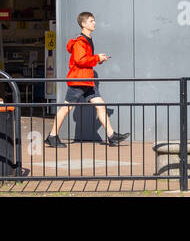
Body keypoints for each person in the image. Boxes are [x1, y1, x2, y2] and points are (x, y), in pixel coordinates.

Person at [45, 12, 129, 148]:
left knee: (101, 106)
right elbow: (80, 60)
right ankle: (52, 136)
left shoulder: (87, 40)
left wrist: (98, 59)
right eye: (91, 21)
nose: (94, 23)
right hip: (79, 80)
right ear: (83, 24)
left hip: (86, 81)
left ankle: (112, 136)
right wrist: (96, 58)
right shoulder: (80, 42)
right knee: (66, 108)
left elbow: (85, 60)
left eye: (93, 20)